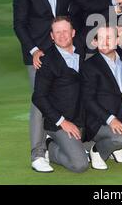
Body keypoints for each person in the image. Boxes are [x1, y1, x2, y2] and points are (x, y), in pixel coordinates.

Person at [13, 0, 78, 172]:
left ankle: (55, 140)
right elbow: (19, 23)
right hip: (37, 54)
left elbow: (83, 6)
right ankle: (38, 154)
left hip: (62, 51)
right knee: (40, 101)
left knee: (68, 95)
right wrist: (33, 50)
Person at [32, 16, 88, 173]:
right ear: (51, 36)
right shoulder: (47, 61)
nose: (62, 36)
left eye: (65, 31)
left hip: (83, 120)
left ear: (73, 32)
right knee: (80, 165)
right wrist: (62, 121)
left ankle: (78, 146)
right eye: (57, 32)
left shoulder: (83, 52)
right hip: (60, 124)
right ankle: (51, 148)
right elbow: (38, 97)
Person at [81, 25, 122, 170]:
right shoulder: (89, 66)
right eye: (100, 38)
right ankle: (96, 151)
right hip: (99, 120)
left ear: (117, 41)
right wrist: (111, 119)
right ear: (95, 42)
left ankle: (116, 149)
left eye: (109, 38)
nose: (104, 41)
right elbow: (88, 100)